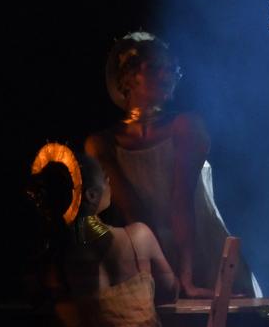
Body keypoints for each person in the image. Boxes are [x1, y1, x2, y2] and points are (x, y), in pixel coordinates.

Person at [85, 32, 259, 298]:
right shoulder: (101, 143)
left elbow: (182, 200)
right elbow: (130, 207)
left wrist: (186, 277)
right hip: (142, 250)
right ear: (128, 76)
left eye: (171, 67)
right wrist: (155, 264)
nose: (167, 74)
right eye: (155, 67)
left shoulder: (185, 127)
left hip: (198, 246)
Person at [28, 142, 178, 327]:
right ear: (90, 195)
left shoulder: (55, 257)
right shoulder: (139, 237)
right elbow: (169, 289)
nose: (109, 182)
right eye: (105, 177)